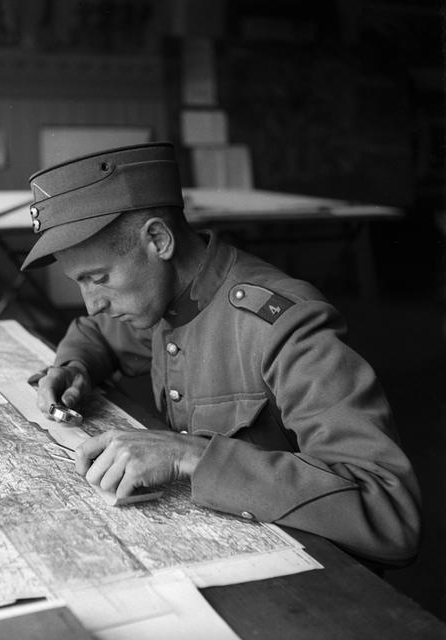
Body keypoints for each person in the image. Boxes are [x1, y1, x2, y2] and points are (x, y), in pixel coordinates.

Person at [21, 142, 421, 568]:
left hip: (314, 575)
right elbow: (95, 334)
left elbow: (390, 514)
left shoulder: (281, 324)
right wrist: (75, 367)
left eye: (97, 279)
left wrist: (187, 454)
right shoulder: (163, 296)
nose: (92, 303)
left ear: (158, 239)